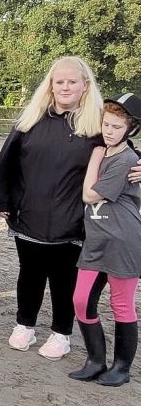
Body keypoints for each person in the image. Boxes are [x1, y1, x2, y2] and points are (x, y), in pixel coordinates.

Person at [0, 56, 104, 360]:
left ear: (85, 85)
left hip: (72, 221)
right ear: (51, 85)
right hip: (29, 214)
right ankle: (24, 324)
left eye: (72, 81)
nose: (65, 87)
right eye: (59, 82)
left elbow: (123, 149)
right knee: (29, 274)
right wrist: (3, 201)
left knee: (63, 280)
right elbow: (6, 161)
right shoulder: (31, 120)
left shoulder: (97, 126)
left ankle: (61, 333)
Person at [70, 93, 141, 387]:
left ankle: (121, 368)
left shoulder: (127, 159)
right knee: (81, 299)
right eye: (106, 124)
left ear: (130, 130)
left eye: (116, 127)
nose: (109, 131)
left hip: (123, 240)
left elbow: (89, 195)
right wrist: (98, 153)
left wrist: (96, 158)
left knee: (121, 303)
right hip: (96, 239)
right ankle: (95, 360)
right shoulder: (105, 150)